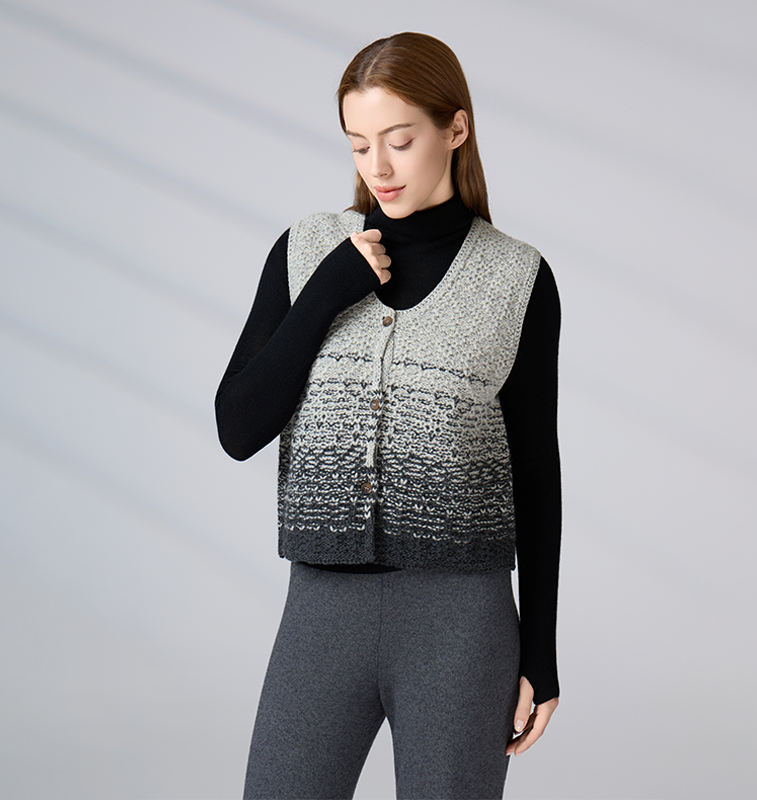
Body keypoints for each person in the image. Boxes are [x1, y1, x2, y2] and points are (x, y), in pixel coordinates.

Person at [215, 31, 562, 800]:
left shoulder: (517, 279)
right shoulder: (308, 250)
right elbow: (237, 428)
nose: (378, 166)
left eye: (399, 141)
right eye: (358, 143)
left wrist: (540, 651)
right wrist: (323, 295)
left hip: (460, 621)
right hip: (321, 611)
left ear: (455, 128)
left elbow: (537, 471)